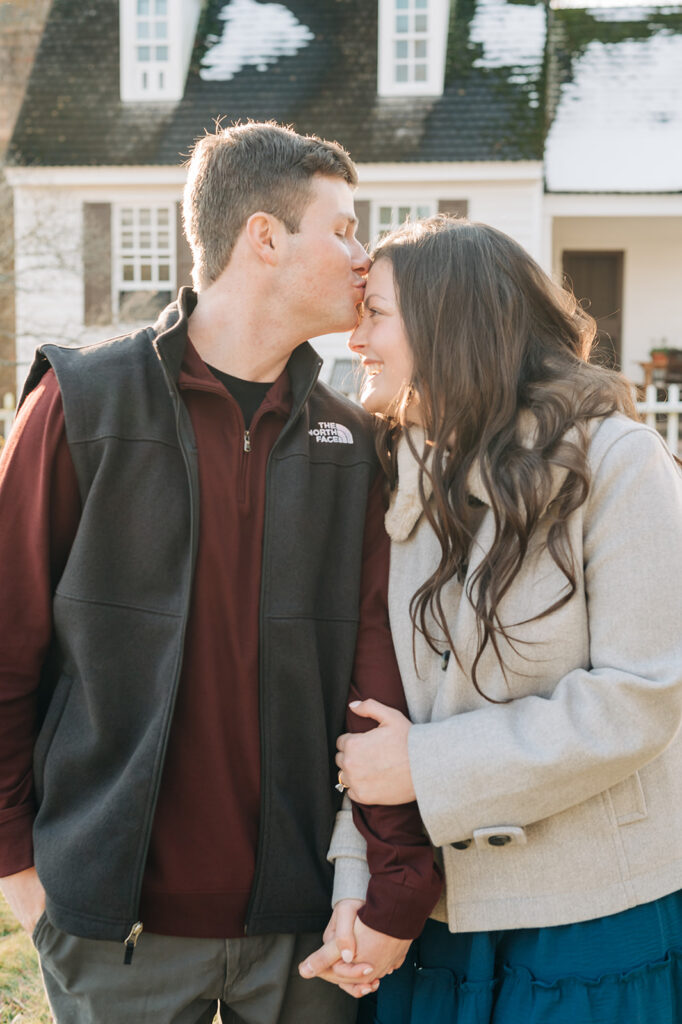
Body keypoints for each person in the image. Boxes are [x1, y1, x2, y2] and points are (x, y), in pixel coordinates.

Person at [0, 122, 443, 1024]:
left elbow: (375, 681)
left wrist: (391, 884)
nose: (364, 258)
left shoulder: (351, 445)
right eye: (346, 229)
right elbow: (5, 650)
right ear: (266, 238)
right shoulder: (81, 405)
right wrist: (20, 874)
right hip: (114, 935)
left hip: (301, 937)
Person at [304, 216, 682, 1022]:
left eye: (376, 312)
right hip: (433, 923)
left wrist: (432, 768)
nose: (355, 333)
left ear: (451, 321)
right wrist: (353, 887)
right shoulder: (389, 471)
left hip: (587, 920)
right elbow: (374, 715)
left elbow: (641, 697)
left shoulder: (617, 460)